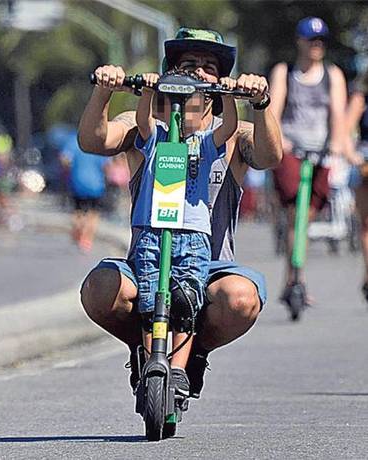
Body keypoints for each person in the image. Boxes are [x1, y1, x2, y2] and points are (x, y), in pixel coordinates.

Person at [78, 27, 282, 399]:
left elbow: (270, 157)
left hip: (210, 266)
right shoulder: (146, 129)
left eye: (209, 67)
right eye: (189, 64)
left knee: (240, 298)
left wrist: (260, 100)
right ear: (170, 73)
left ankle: (195, 354)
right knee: (100, 288)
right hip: (149, 259)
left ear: (221, 81)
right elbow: (94, 141)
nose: (200, 73)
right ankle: (144, 350)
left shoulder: (231, 136)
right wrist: (104, 90)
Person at [132, 68, 238, 394]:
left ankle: (177, 370)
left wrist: (229, 93)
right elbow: (142, 121)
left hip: (192, 237)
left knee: (184, 304)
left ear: (207, 105)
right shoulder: (158, 139)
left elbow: (230, 127)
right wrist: (149, 90)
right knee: (151, 305)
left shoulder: (205, 143)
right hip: (153, 232)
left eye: (190, 102)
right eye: (172, 102)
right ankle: (153, 360)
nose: (181, 110)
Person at [269, 17, 348, 305]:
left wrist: (337, 146)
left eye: (320, 41)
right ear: (299, 41)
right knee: (294, 215)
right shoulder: (285, 72)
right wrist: (279, 141)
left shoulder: (332, 74)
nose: (316, 46)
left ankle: (292, 278)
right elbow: (274, 111)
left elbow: (337, 114)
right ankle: (296, 279)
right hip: (292, 150)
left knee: (307, 217)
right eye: (311, 40)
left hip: (321, 153)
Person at [60, 130, 108, 253]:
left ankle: (78, 233)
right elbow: (106, 165)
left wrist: (69, 171)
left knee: (78, 212)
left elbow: (64, 159)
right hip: (96, 184)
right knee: (93, 213)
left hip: (77, 182)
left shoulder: (73, 140)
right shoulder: (98, 144)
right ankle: (87, 239)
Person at [345, 70, 368, 302]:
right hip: (365, 161)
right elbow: (345, 131)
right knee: (367, 224)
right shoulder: (361, 97)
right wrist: (354, 158)